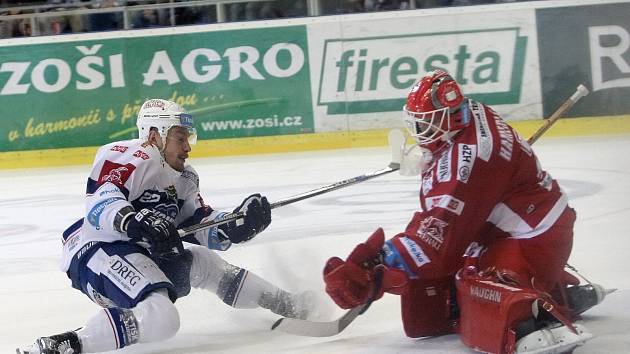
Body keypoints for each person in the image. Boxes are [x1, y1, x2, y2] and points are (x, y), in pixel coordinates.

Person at [322, 70, 610, 353]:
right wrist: (431, 158)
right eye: (419, 124)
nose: (421, 132)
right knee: (456, 267)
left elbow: (433, 245)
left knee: (473, 283)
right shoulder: (471, 112)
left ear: (451, 117)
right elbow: (464, 176)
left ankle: (537, 317)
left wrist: (378, 266)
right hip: (515, 225)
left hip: (534, 239)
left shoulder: (469, 164)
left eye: (427, 123)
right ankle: (550, 289)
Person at [20, 99, 312, 354]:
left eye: (189, 138)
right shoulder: (130, 155)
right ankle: (65, 345)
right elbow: (101, 201)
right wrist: (135, 220)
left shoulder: (186, 179)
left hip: (140, 255)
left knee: (205, 263)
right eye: (179, 138)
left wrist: (234, 225)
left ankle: (286, 304)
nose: (187, 148)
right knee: (162, 318)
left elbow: (196, 223)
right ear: (153, 135)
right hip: (97, 252)